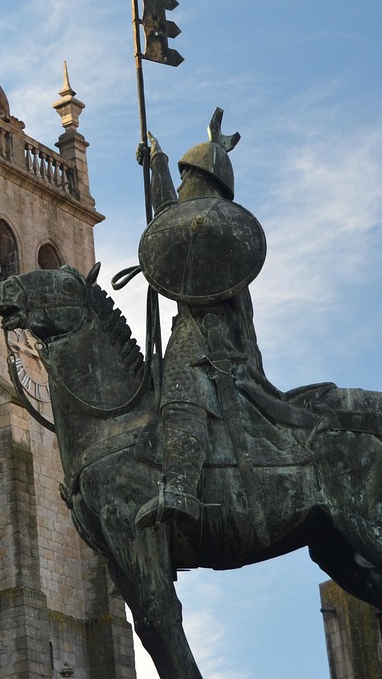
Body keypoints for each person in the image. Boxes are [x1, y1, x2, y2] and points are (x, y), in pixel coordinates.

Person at [135, 109, 268, 528]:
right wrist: (157, 162)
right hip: (193, 331)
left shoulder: (219, 231)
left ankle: (181, 490)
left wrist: (199, 153)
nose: (181, 185)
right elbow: (169, 218)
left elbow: (172, 221)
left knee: (178, 388)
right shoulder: (197, 225)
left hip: (212, 339)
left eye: (185, 176)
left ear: (200, 182)